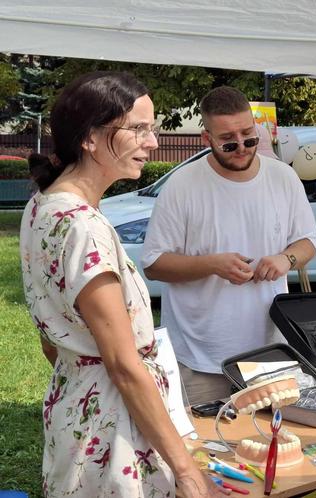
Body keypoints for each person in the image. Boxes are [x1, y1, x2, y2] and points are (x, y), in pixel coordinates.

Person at [19, 71, 222, 498]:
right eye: (139, 129)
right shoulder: (82, 227)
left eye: (153, 129)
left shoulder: (43, 204)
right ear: (90, 138)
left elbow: (51, 339)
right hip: (114, 429)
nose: (153, 143)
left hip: (78, 407)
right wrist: (186, 470)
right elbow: (124, 366)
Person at [141, 86, 316, 405]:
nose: (241, 147)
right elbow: (154, 264)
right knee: (203, 452)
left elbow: (309, 241)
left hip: (270, 352)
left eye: (249, 136)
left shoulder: (283, 178)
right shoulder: (183, 186)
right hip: (200, 358)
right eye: (229, 141)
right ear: (206, 139)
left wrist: (285, 258)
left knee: (273, 447)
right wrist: (212, 265)